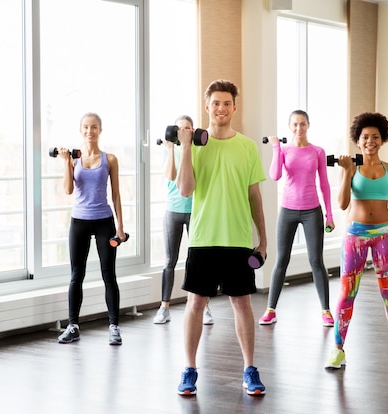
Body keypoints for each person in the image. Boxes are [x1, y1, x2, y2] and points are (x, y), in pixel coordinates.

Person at [175, 80, 268, 396]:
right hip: (203, 238)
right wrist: (186, 146)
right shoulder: (194, 146)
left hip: (238, 238)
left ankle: (249, 369)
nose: (221, 108)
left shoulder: (247, 146)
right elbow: (185, 189)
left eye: (227, 103)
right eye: (216, 103)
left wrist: (263, 239)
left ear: (234, 107)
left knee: (242, 303)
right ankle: (189, 368)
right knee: (195, 303)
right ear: (207, 107)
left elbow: (255, 195)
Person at [323, 112, 388, 371]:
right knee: (346, 294)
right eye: (365, 137)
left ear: (382, 139)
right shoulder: (352, 167)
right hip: (356, 236)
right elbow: (341, 204)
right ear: (357, 140)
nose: (370, 141)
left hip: (385, 235)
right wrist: (347, 172)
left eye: (375, 136)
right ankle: (338, 350)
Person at [259, 110, 336, 327]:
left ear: (308, 125)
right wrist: (275, 148)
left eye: (302, 124)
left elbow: (324, 184)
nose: (299, 128)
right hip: (288, 210)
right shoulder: (283, 150)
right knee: (281, 261)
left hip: (312, 211)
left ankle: (326, 311)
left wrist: (329, 215)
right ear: (289, 126)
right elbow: (274, 175)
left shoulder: (317, 151)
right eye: (295, 125)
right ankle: (270, 310)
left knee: (316, 261)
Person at [56, 112, 128, 346]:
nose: (90, 131)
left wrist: (120, 225)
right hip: (79, 221)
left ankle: (114, 327)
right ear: (81, 130)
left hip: (104, 220)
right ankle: (73, 326)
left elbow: (116, 194)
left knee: (109, 275)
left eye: (94, 127)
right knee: (77, 276)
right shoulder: (73, 159)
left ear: (100, 130)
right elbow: (67, 190)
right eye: (86, 127)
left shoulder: (110, 159)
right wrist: (66, 164)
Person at [153, 115, 214, 325]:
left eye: (188, 128)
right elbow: (170, 176)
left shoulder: (197, 152)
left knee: (199, 261)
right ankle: (164, 307)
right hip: (173, 212)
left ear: (193, 131)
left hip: (195, 212)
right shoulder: (168, 152)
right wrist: (170, 149)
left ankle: (205, 307)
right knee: (169, 261)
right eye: (181, 129)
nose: (184, 132)